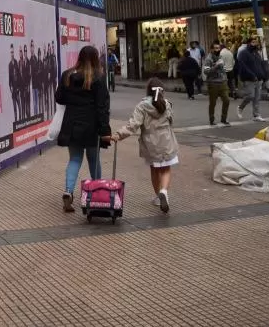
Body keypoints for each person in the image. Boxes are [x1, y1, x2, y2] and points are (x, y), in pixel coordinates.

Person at [55, 45, 111, 213]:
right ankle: (98, 193)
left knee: (74, 159)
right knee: (94, 159)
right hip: (91, 126)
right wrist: (105, 130)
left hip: (72, 124)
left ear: (79, 58)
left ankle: (68, 191)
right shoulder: (98, 78)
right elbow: (102, 107)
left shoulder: (67, 75)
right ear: (95, 59)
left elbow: (59, 98)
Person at [112, 78, 180, 213]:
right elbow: (171, 121)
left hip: (150, 143)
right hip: (167, 142)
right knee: (166, 169)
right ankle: (164, 191)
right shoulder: (167, 104)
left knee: (154, 170)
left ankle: (157, 196)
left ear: (148, 90)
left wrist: (119, 135)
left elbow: (133, 125)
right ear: (162, 91)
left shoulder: (142, 106)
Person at [236, 36, 268, 122]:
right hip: (249, 79)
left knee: (257, 98)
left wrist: (263, 75)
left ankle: (256, 115)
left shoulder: (256, 53)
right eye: (253, 42)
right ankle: (240, 107)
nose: (255, 44)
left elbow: (260, 64)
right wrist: (252, 75)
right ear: (249, 43)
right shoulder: (243, 53)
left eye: (256, 42)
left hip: (259, 79)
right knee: (250, 96)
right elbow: (243, 66)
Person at [202, 41, 231, 126]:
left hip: (222, 82)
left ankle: (224, 119)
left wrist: (225, 76)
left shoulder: (221, 57)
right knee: (213, 103)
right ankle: (212, 119)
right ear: (211, 49)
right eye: (215, 48)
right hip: (213, 83)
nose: (217, 50)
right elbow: (206, 71)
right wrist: (216, 66)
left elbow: (223, 69)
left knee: (227, 100)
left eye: (218, 48)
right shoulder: (208, 59)